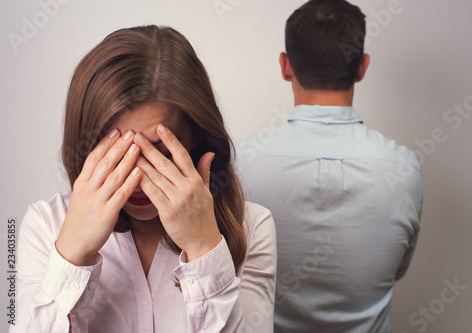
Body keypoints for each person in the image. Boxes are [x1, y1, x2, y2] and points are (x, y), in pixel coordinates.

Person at [12, 25, 276, 333]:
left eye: (159, 155)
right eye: (118, 154)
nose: (137, 179)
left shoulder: (252, 226)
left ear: (197, 142)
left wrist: (205, 249)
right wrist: (72, 258)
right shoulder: (46, 225)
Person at [236, 1, 422, 332]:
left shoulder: (241, 164)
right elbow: (396, 269)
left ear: (285, 66)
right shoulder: (404, 169)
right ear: (362, 67)